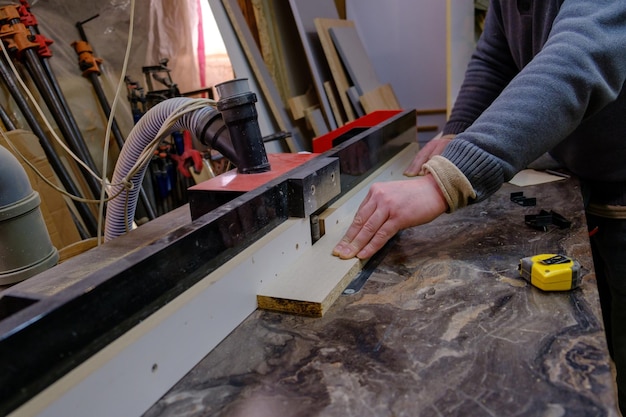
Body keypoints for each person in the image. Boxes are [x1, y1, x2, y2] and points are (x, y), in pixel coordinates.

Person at [332, 0, 626, 413]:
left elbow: (581, 54)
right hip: (589, 177)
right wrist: (458, 130)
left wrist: (447, 181)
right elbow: (495, 59)